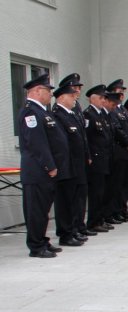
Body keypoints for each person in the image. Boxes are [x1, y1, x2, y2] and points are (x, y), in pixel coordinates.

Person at [17, 74, 61, 257]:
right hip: (37, 170)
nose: (50, 94)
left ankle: (42, 240)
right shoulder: (30, 112)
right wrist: (49, 166)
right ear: (36, 91)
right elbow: (37, 143)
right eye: (47, 91)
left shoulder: (42, 111)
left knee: (43, 210)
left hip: (42, 170)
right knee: (35, 210)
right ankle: (36, 246)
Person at [52, 85, 87, 246]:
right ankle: (65, 233)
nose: (75, 99)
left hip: (75, 164)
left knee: (74, 199)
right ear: (62, 98)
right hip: (66, 164)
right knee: (64, 201)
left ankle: (72, 229)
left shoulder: (71, 115)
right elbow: (60, 143)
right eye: (71, 96)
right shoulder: (57, 115)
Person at [105, 79, 128, 222]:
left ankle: (123, 210)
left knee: (125, 183)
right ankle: (114, 211)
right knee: (116, 184)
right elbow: (117, 129)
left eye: (123, 91)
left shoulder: (123, 109)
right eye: (119, 91)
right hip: (119, 149)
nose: (122, 94)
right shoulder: (112, 110)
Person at [83, 84, 113, 233]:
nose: (103, 100)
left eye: (104, 98)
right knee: (95, 192)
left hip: (104, 159)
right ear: (93, 98)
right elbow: (87, 139)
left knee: (102, 191)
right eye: (101, 98)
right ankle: (93, 221)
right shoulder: (88, 115)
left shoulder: (101, 115)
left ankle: (100, 219)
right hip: (95, 160)